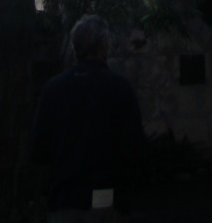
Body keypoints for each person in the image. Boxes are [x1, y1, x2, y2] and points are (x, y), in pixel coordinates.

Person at [31, 15, 146, 222]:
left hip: (64, 200)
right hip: (105, 200)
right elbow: (134, 147)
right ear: (103, 45)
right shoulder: (119, 88)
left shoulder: (53, 89)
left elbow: (39, 149)